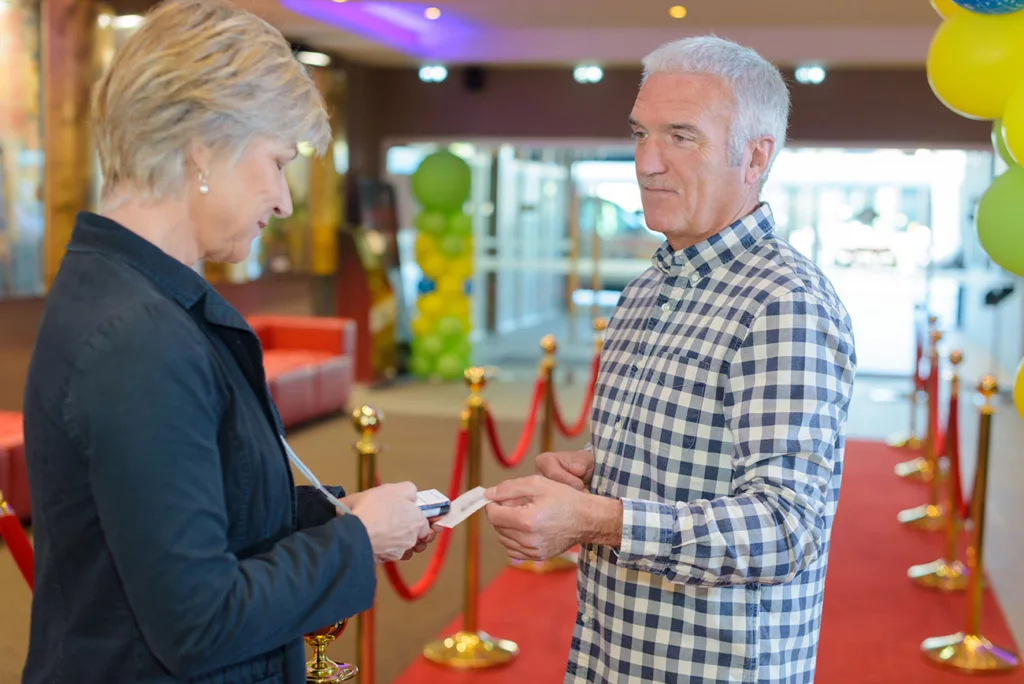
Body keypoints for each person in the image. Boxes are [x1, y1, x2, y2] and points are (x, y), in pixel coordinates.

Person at [21, 2, 435, 682]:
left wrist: (327, 517)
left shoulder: (129, 294)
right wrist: (356, 542)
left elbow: (186, 507)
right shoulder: (139, 337)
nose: (283, 201)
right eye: (276, 162)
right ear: (203, 148)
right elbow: (198, 619)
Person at [485, 36, 857, 683]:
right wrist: (598, 474)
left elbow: (785, 526)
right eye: (639, 134)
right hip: (614, 648)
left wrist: (599, 518)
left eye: (681, 137)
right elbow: (703, 454)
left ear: (755, 155)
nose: (647, 162)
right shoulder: (649, 287)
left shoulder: (784, 303)